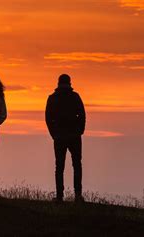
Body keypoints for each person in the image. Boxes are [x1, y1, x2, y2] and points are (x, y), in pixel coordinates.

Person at [46, 74, 86, 203]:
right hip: (74, 136)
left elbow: (48, 118)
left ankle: (59, 196)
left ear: (58, 83)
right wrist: (80, 131)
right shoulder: (75, 97)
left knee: (59, 166)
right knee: (77, 165)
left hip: (60, 136)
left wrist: (54, 134)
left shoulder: (52, 98)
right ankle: (78, 195)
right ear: (70, 83)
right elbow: (82, 114)